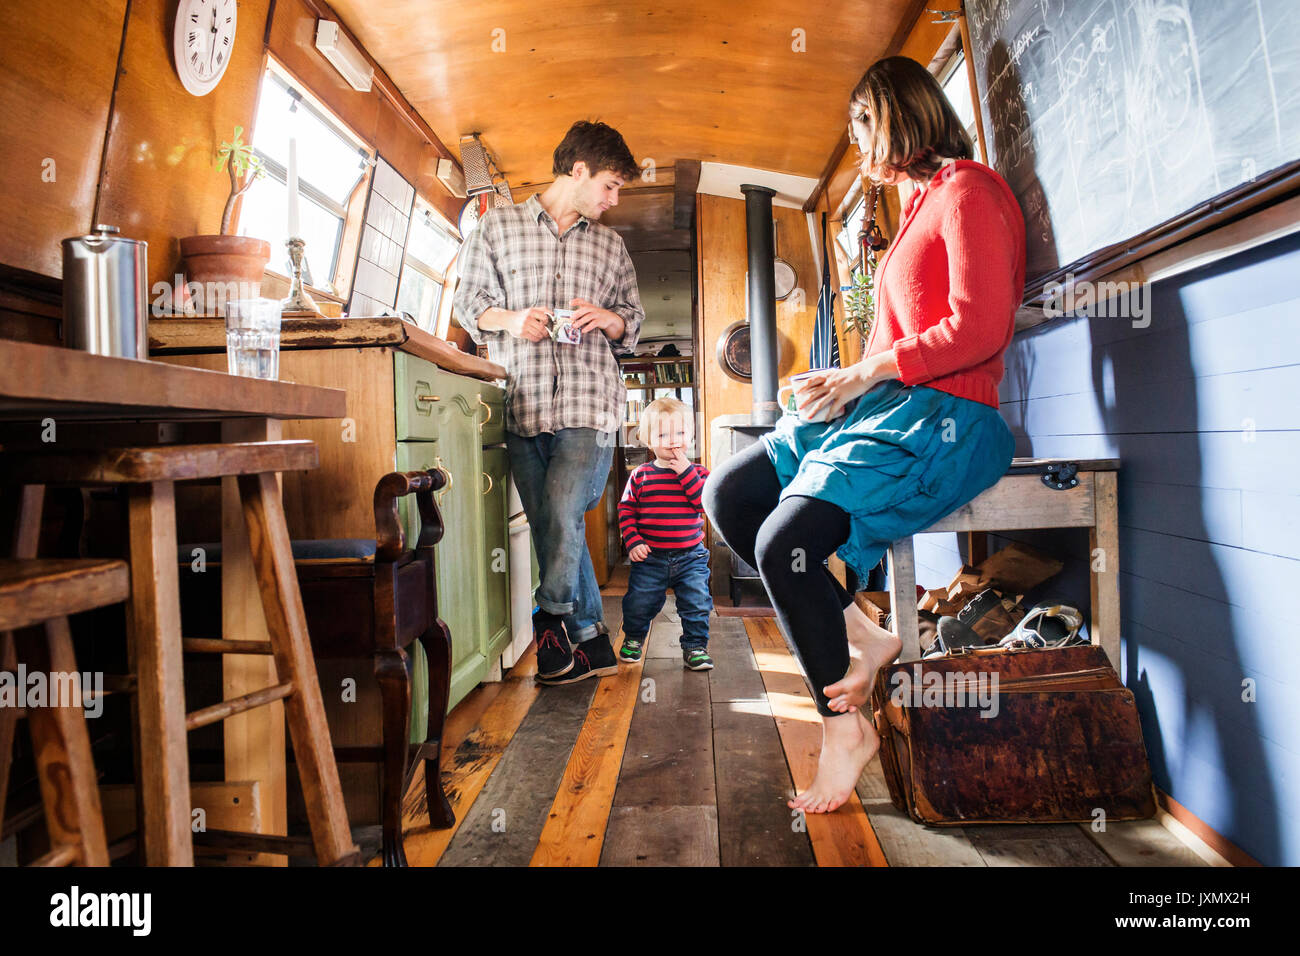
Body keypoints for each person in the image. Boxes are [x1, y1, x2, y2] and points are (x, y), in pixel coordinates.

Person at [703, 56, 1025, 813]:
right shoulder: (915, 206)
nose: (857, 144)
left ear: (899, 114)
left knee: (786, 544)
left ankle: (843, 728)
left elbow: (980, 329)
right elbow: (896, 344)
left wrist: (865, 373)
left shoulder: (970, 192)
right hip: (890, 406)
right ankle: (866, 635)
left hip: (948, 418)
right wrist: (834, 385)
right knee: (730, 493)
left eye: (862, 125)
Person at [452, 120, 644, 685]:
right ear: (577, 170)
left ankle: (550, 619)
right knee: (550, 525)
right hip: (521, 398)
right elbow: (469, 304)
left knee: (562, 512)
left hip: (589, 401)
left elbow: (632, 321)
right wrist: (514, 320)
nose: (614, 199)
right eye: (610, 185)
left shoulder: (610, 244)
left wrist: (607, 319)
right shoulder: (496, 227)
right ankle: (592, 642)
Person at [616, 397, 713, 670]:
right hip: (650, 558)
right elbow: (626, 511)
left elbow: (702, 504)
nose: (673, 441)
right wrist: (632, 541)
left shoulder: (699, 473)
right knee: (639, 602)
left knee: (696, 603)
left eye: (681, 433)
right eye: (663, 434)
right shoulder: (641, 476)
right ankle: (634, 638)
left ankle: (695, 647)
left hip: (691, 557)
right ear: (648, 441)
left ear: (691, 436)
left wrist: (685, 473)